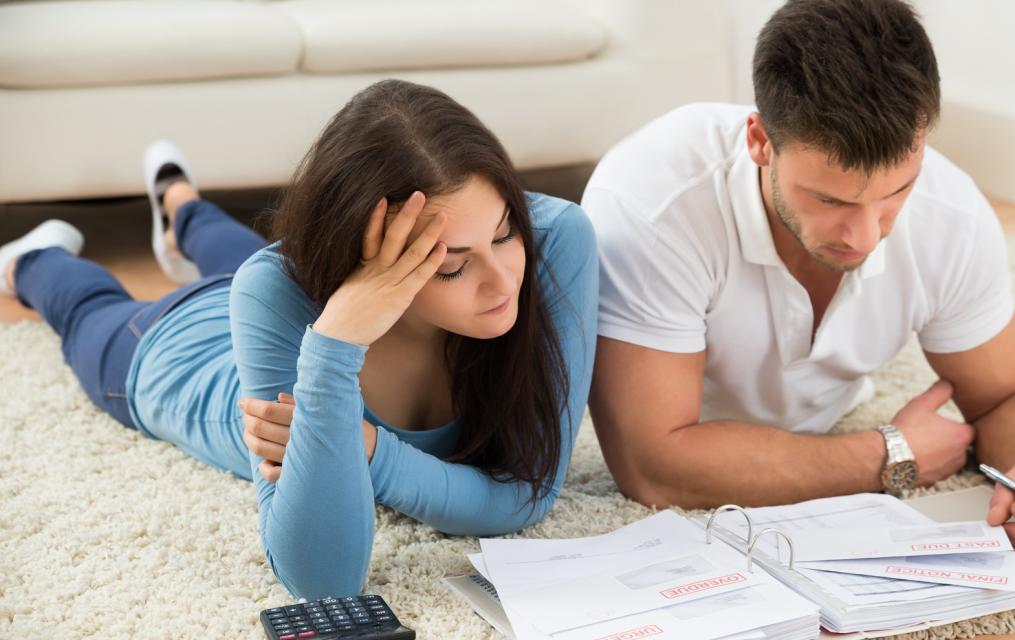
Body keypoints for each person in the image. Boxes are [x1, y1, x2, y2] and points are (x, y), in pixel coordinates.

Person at [0, 80, 599, 599]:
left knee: (240, 257)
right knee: (86, 307)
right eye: (450, 266)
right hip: (172, 350)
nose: (503, 282)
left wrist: (370, 451)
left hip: (275, 294)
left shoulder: (555, 237)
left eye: (504, 234)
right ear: (360, 266)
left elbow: (528, 491)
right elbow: (323, 579)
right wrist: (334, 344)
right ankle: (31, 260)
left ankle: (179, 201)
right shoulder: (276, 293)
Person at [581, 0, 1015, 554]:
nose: (866, 237)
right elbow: (652, 467)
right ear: (759, 141)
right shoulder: (653, 202)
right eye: (829, 199)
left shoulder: (952, 214)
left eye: (896, 192)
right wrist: (888, 454)